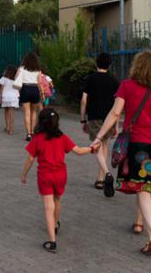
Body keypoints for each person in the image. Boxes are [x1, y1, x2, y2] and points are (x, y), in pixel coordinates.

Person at [90, 51, 151, 255]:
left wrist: (99, 137)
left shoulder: (127, 85)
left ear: (136, 66)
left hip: (137, 142)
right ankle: (140, 225)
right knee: (146, 186)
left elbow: (115, 112)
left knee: (142, 188)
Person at [20, 107, 96, 253]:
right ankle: (55, 224)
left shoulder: (38, 139)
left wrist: (24, 174)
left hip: (45, 176)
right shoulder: (62, 137)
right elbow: (79, 151)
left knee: (48, 207)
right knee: (57, 199)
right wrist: (92, 149)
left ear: (40, 122)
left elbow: (30, 158)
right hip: (61, 175)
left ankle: (52, 240)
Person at [80, 52, 119, 196]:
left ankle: (106, 175)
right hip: (109, 117)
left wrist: (83, 119)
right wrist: (116, 125)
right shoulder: (114, 80)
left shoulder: (90, 79)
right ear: (110, 65)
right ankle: (101, 178)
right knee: (105, 146)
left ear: (96, 63)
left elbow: (84, 100)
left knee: (96, 146)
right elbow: (117, 104)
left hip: (94, 117)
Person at [16, 52, 43, 141]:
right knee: (34, 112)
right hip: (35, 89)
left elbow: (16, 78)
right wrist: (42, 94)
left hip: (25, 89)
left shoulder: (21, 68)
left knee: (27, 112)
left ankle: (28, 134)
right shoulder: (38, 70)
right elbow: (40, 82)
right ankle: (32, 131)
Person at [0, 65, 19, 135]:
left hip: (6, 96)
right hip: (14, 97)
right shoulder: (16, 79)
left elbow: (1, 88)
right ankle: (11, 129)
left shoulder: (3, 78)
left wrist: (0, 97)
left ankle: (7, 126)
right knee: (12, 113)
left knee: (6, 111)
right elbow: (19, 88)